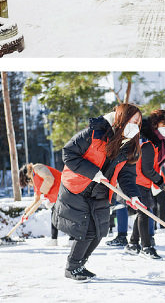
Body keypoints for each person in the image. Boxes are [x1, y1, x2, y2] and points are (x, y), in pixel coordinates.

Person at [52, 104, 143, 281]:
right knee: (85, 231)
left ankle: (80, 265)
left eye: (139, 122)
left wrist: (133, 195)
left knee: (99, 232)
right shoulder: (94, 133)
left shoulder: (128, 145)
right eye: (133, 120)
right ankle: (72, 268)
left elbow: (127, 175)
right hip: (78, 187)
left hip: (102, 190)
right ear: (121, 118)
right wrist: (93, 173)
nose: (136, 125)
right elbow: (68, 154)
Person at [125, 110, 165, 259]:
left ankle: (133, 244)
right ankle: (146, 247)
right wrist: (159, 180)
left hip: (139, 181)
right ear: (154, 125)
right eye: (163, 125)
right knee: (144, 212)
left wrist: (158, 180)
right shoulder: (148, 144)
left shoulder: (148, 140)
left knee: (142, 212)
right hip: (138, 180)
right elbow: (147, 169)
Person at [19, 162, 62, 246]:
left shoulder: (38, 168)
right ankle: (54, 240)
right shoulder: (35, 181)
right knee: (54, 216)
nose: (29, 183)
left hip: (63, 190)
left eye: (27, 181)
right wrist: (27, 213)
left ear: (27, 176)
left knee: (67, 216)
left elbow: (49, 178)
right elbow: (37, 200)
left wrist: (43, 192)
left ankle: (72, 239)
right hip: (56, 196)